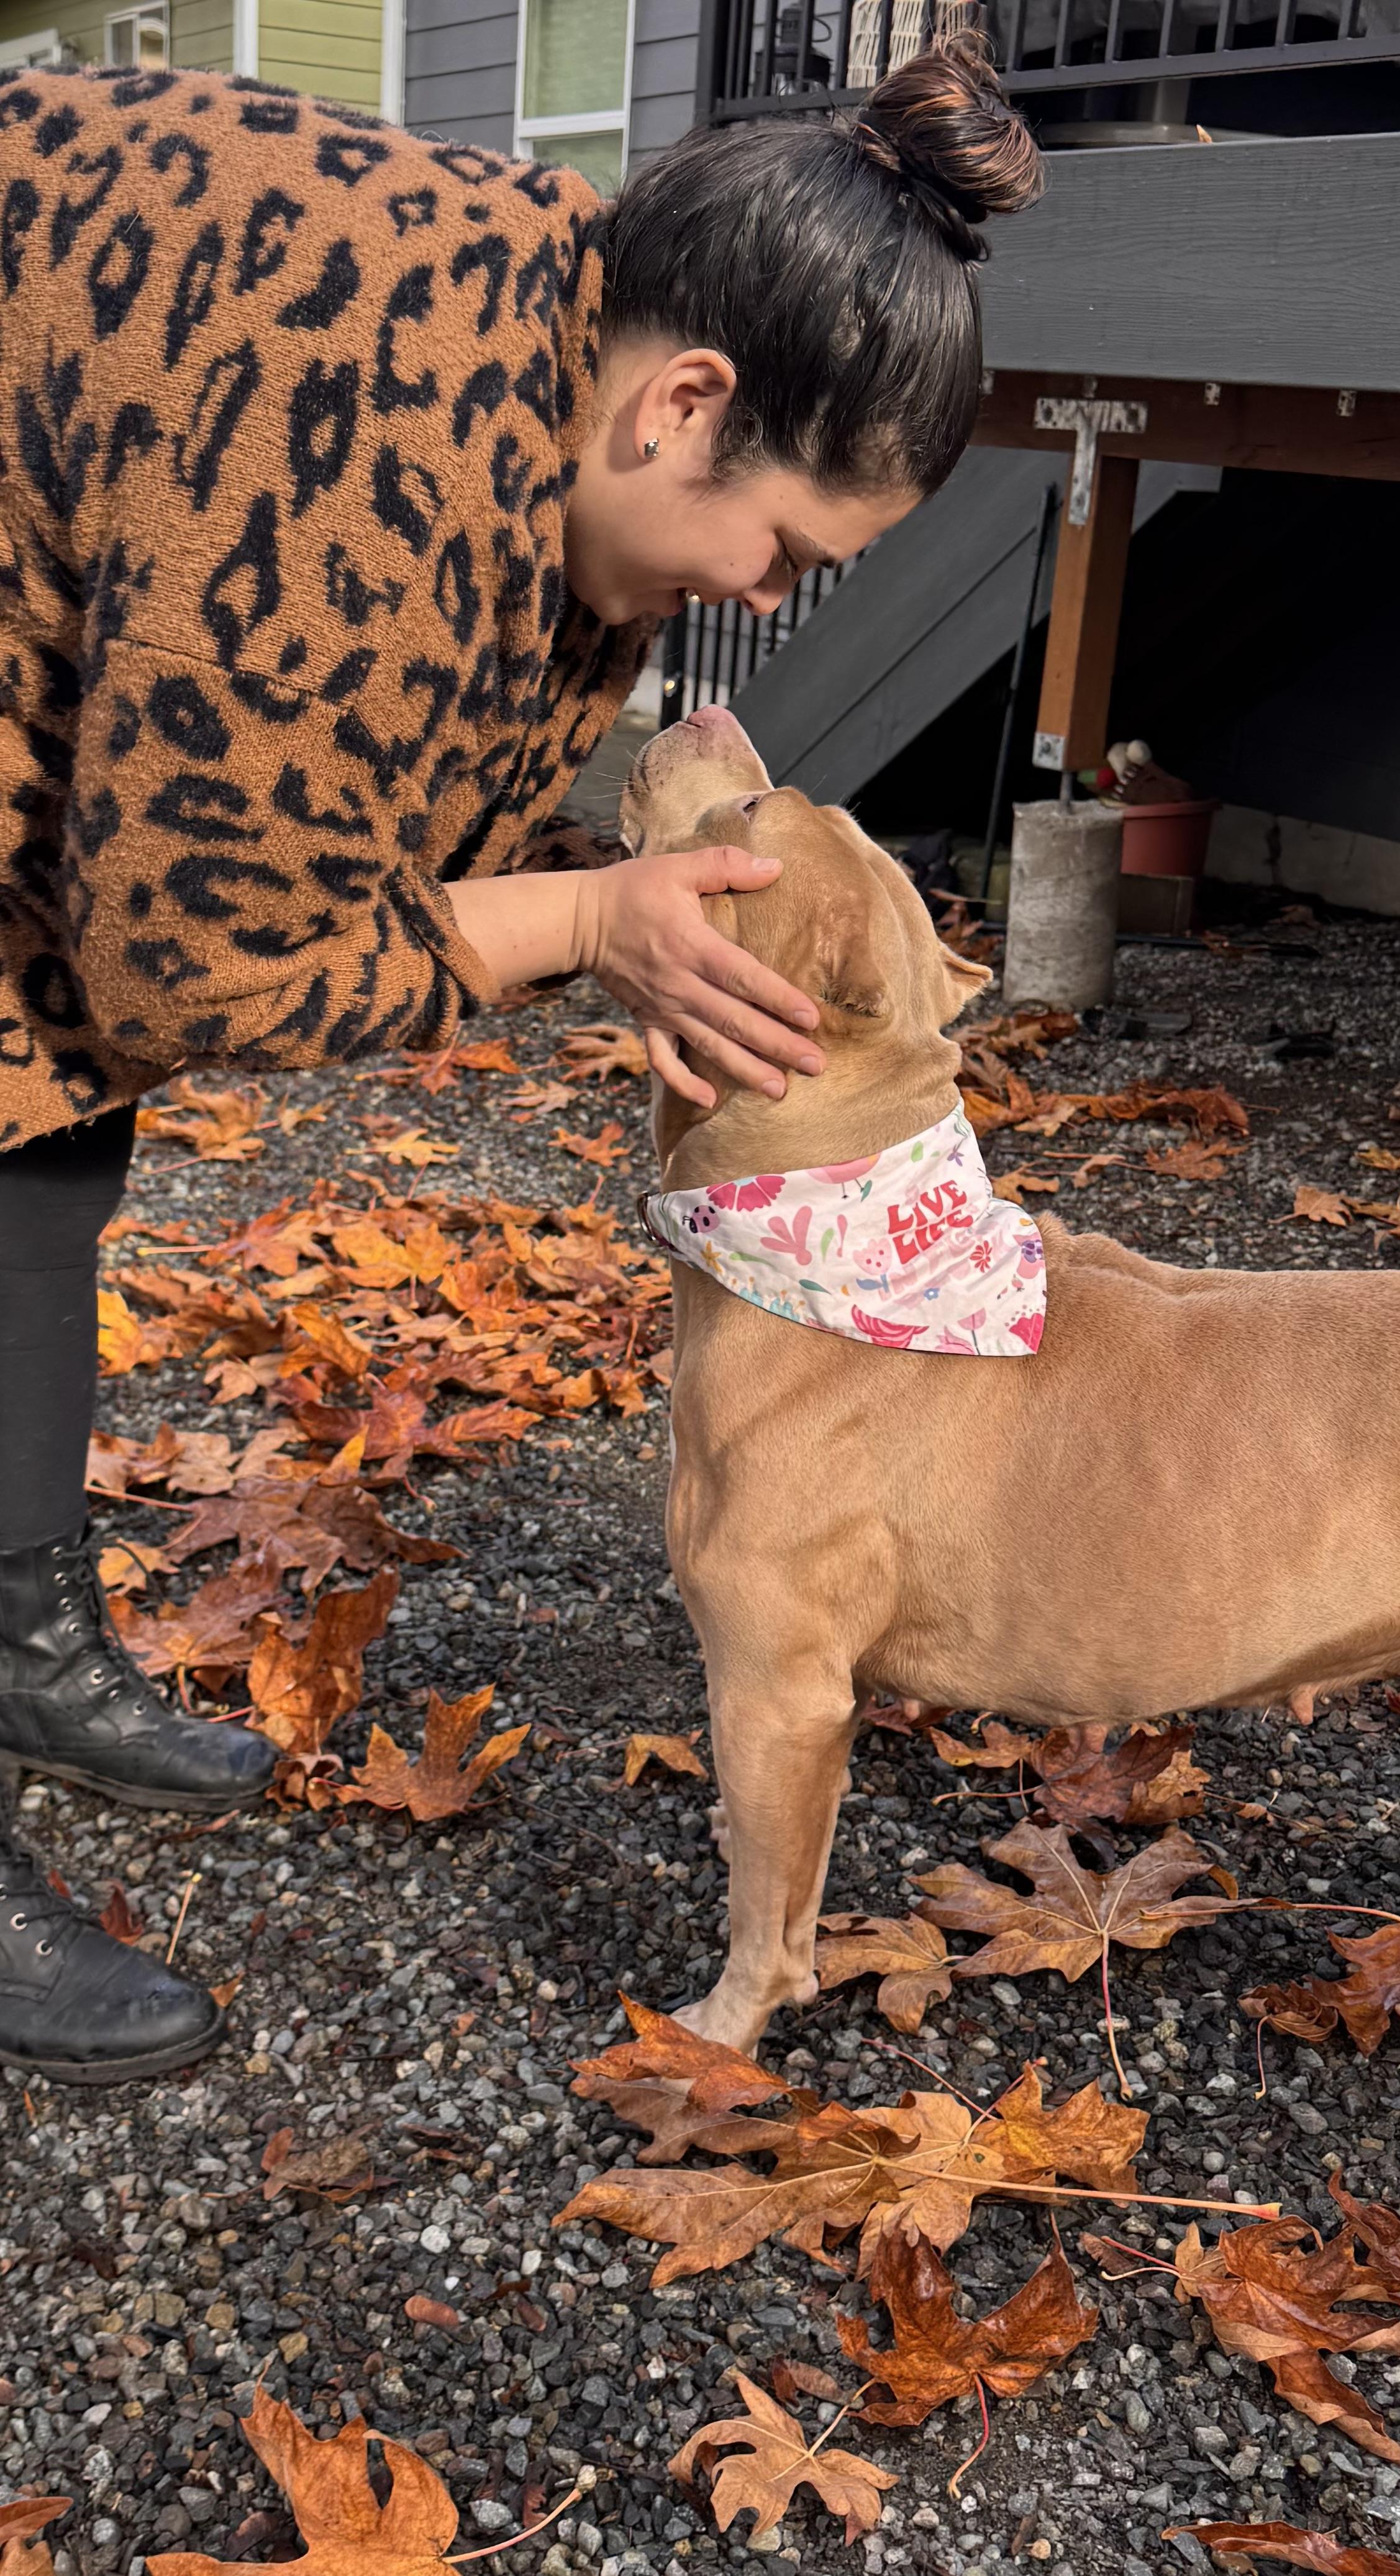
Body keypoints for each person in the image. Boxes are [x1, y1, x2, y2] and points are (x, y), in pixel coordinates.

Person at [0, 36, 1043, 2079]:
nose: (771, 599)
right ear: (688, 406)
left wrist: (588, 891)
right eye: (792, 551)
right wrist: (579, 920)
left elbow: (355, 800)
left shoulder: (570, 319)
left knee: (38, 1139)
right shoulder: (327, 452)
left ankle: (17, 1630)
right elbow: (181, 960)